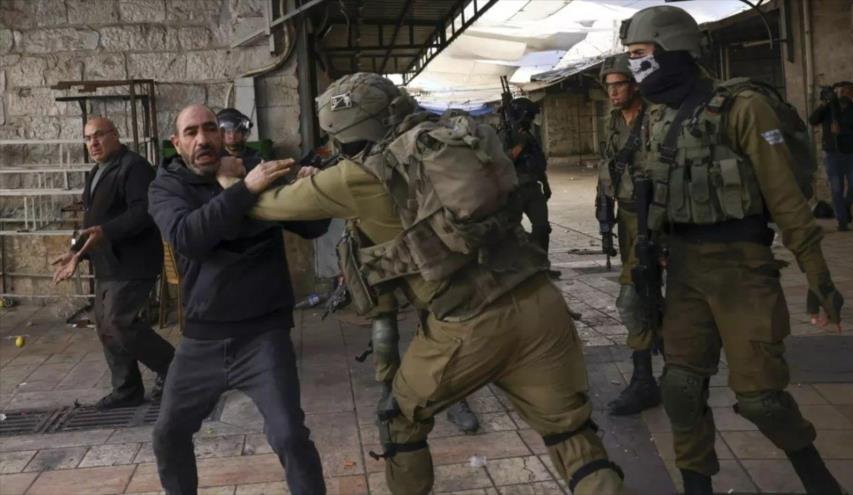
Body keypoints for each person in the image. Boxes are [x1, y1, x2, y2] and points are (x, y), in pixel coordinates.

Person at [217, 73, 623, 494]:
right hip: (540, 302)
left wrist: (231, 182)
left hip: (469, 322)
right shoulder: (445, 140)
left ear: (342, 131)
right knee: (570, 436)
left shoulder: (357, 176)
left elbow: (269, 206)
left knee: (400, 419)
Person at [620, 6, 845, 494]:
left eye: (640, 55)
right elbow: (646, 195)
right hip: (681, 272)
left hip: (743, 269)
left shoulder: (743, 106)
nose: (634, 67)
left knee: (762, 398)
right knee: (681, 389)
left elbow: (787, 200)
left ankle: (818, 478)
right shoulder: (656, 116)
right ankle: (697, 487)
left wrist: (819, 278)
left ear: (671, 49)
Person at [147, 105, 328, 495]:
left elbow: (312, 227)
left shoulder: (254, 169)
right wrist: (244, 191)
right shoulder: (167, 187)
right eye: (191, 132)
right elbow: (189, 238)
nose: (202, 139)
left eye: (209, 129)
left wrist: (313, 192)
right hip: (201, 340)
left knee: (289, 437)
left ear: (222, 134)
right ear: (176, 144)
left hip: (263, 333)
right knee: (168, 434)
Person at [52, 116, 174, 410]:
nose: (92, 143)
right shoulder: (96, 171)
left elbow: (143, 212)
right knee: (106, 327)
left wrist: (105, 232)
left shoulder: (134, 167)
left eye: (98, 136)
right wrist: (75, 251)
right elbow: (92, 222)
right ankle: (126, 389)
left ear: (115, 135)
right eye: (87, 138)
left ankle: (175, 370)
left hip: (134, 261)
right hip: (107, 263)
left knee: (121, 322)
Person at [596, 53, 662, 416]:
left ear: (635, 85)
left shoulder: (655, 118)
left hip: (657, 218)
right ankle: (652, 374)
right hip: (627, 219)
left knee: (632, 298)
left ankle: (645, 380)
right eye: (609, 87)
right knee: (642, 292)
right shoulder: (612, 123)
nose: (613, 93)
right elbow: (606, 164)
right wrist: (603, 209)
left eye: (619, 85)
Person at [503, 98, 560, 278]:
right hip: (514, 190)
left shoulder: (530, 134)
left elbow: (537, 162)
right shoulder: (506, 134)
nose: (531, 119)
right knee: (512, 231)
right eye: (529, 116)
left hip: (534, 187)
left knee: (542, 227)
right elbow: (503, 161)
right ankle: (519, 268)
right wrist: (520, 145)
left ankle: (542, 266)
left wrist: (546, 183)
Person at [808, 81, 853, 231]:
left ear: (852, 93)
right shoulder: (828, 110)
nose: (843, 94)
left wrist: (842, 131)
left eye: (847, 91)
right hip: (833, 154)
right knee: (836, 190)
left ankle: (845, 207)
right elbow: (812, 120)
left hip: (851, 154)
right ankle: (842, 222)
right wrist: (823, 104)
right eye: (840, 91)